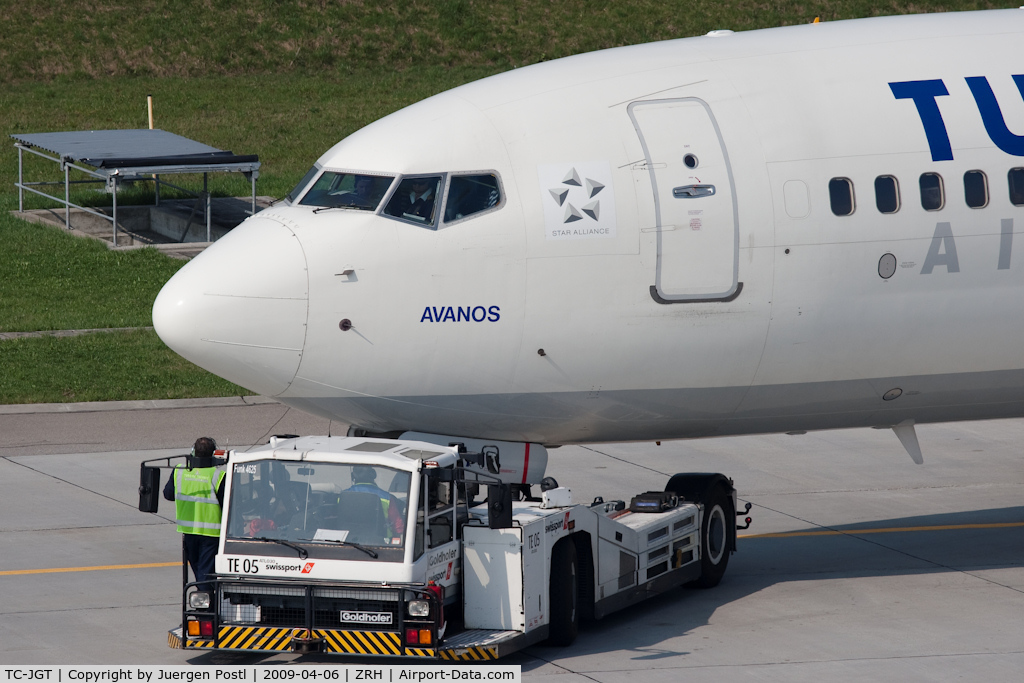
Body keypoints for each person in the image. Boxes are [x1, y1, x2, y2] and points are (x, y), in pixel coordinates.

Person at [163, 437, 225, 593]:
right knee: (205, 572)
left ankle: (204, 602)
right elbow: (227, 503)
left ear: (193, 452)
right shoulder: (217, 475)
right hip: (211, 533)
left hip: (189, 531)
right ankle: (206, 605)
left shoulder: (179, 471)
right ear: (213, 454)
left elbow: (168, 494)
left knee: (199, 571)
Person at [347, 465, 406, 536]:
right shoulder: (387, 497)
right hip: (382, 544)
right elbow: (398, 527)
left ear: (352, 476)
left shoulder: (341, 496)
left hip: (346, 543)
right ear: (373, 474)